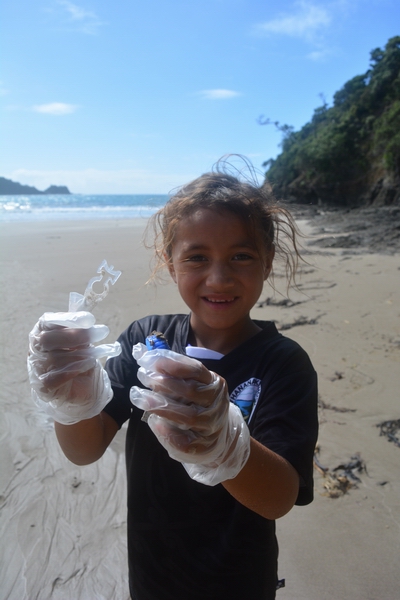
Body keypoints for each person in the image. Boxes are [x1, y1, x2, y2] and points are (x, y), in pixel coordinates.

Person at [28, 159, 318, 600]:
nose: (218, 277)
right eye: (197, 257)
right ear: (170, 262)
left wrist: (223, 443)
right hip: (152, 575)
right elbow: (85, 449)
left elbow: (280, 496)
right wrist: (71, 398)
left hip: (239, 580)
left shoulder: (284, 363)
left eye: (241, 256)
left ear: (268, 262)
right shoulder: (146, 340)